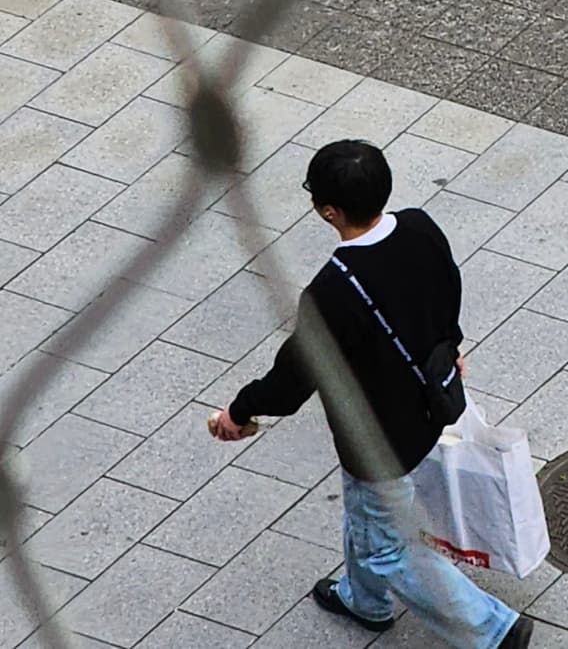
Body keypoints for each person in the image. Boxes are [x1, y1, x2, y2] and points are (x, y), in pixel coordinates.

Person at [210, 139, 531, 649]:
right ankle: (364, 600)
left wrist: (241, 410)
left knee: (387, 546)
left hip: (379, 439)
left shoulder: (333, 291)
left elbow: (295, 376)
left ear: (328, 210)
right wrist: (450, 345)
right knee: (367, 513)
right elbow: (449, 286)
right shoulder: (421, 226)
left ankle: (494, 630)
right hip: (434, 401)